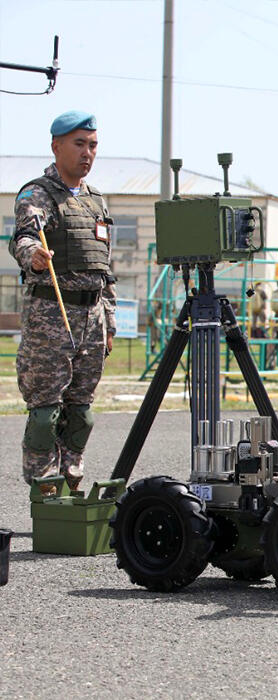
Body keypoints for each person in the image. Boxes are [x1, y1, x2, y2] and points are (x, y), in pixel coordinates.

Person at [9, 110, 116, 494]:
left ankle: (72, 481)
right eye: (79, 144)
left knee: (80, 415)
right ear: (56, 146)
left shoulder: (97, 202)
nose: (87, 153)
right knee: (45, 414)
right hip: (51, 318)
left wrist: (110, 323)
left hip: (93, 318)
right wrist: (34, 254)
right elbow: (22, 237)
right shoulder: (36, 194)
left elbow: (106, 269)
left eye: (92, 145)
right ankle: (44, 489)